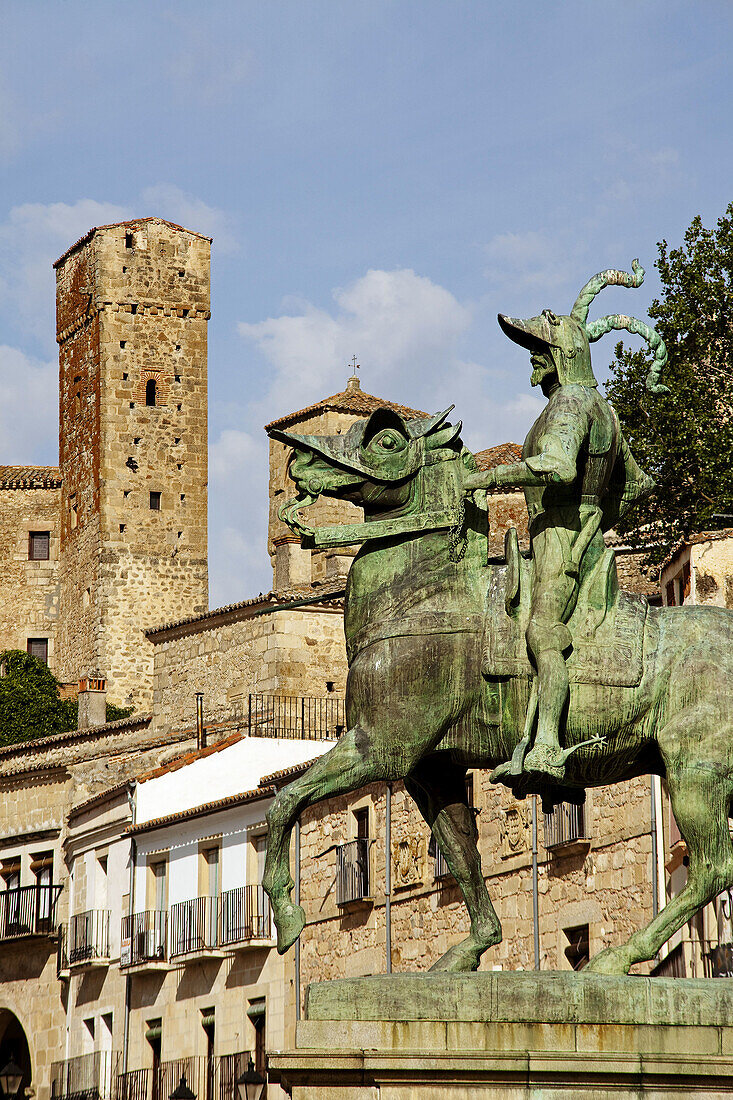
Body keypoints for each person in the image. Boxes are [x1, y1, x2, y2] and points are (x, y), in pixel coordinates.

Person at [465, 263, 667, 785]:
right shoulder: (605, 410)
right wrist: (598, 513)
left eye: (538, 349)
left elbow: (554, 465)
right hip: (584, 531)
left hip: (559, 535)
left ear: (560, 355)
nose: (532, 360)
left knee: (543, 636)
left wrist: (484, 480)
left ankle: (549, 746)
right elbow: (640, 483)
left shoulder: (570, 404)